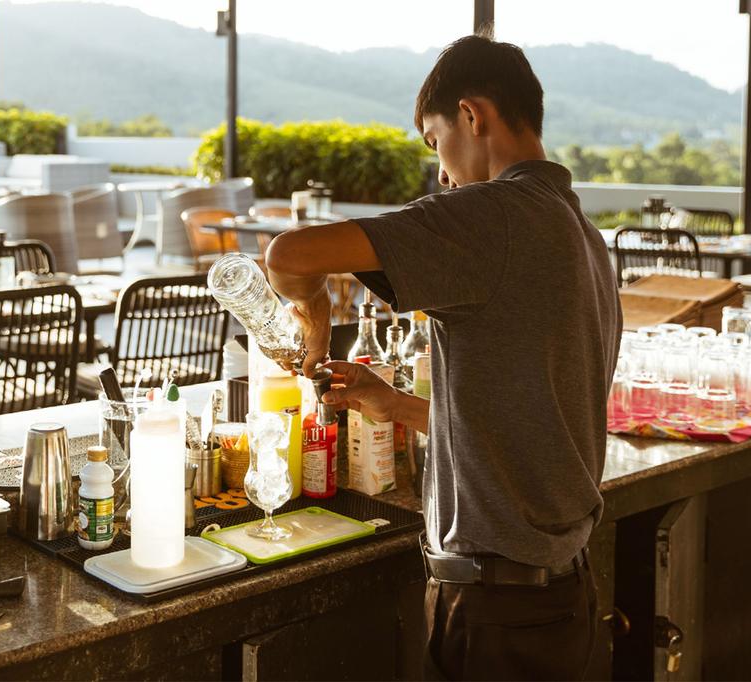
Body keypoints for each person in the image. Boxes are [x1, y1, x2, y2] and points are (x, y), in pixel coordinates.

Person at [266, 33, 621, 681]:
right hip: (556, 600)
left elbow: (287, 257)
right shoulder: (580, 231)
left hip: (501, 615)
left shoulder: (494, 215)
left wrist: (315, 315)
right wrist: (394, 404)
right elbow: (531, 422)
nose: (442, 174)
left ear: (472, 115)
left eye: (436, 143)